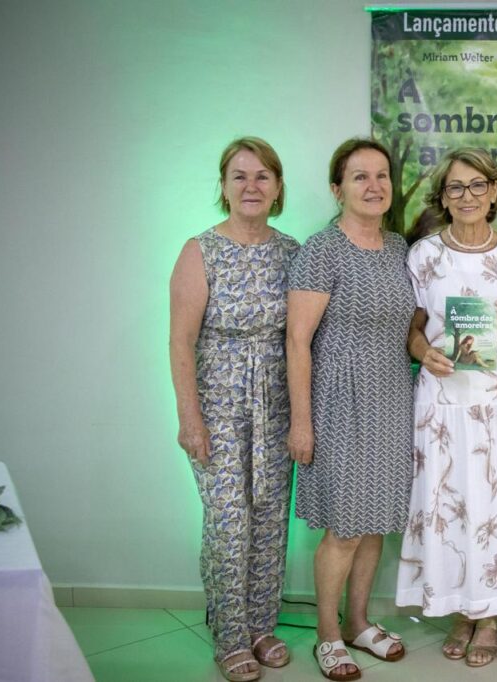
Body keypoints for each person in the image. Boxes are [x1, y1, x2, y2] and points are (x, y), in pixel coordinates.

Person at [395, 147, 497, 668]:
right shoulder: (423, 257)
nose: (467, 196)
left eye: (478, 185)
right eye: (456, 187)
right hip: (442, 402)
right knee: (450, 504)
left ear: (494, 192)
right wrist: (425, 353)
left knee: (495, 505)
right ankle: (460, 609)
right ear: (444, 195)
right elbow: (412, 330)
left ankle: (490, 616)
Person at [169, 137, 299, 682]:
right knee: (228, 521)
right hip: (219, 404)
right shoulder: (200, 250)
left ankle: (262, 625)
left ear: (277, 188)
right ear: (224, 187)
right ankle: (228, 633)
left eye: (263, 176)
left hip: (277, 402)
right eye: (240, 176)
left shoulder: (292, 251)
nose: (252, 186)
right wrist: (189, 419)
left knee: (269, 517)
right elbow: (181, 342)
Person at [286, 138, 415, 681]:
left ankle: (360, 623)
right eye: (360, 177)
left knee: (376, 521)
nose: (373, 185)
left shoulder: (400, 248)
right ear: (338, 189)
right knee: (343, 526)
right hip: (339, 402)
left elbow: (410, 330)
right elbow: (297, 340)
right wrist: (300, 420)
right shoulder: (321, 249)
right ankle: (328, 636)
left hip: (392, 399)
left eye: (381, 175)